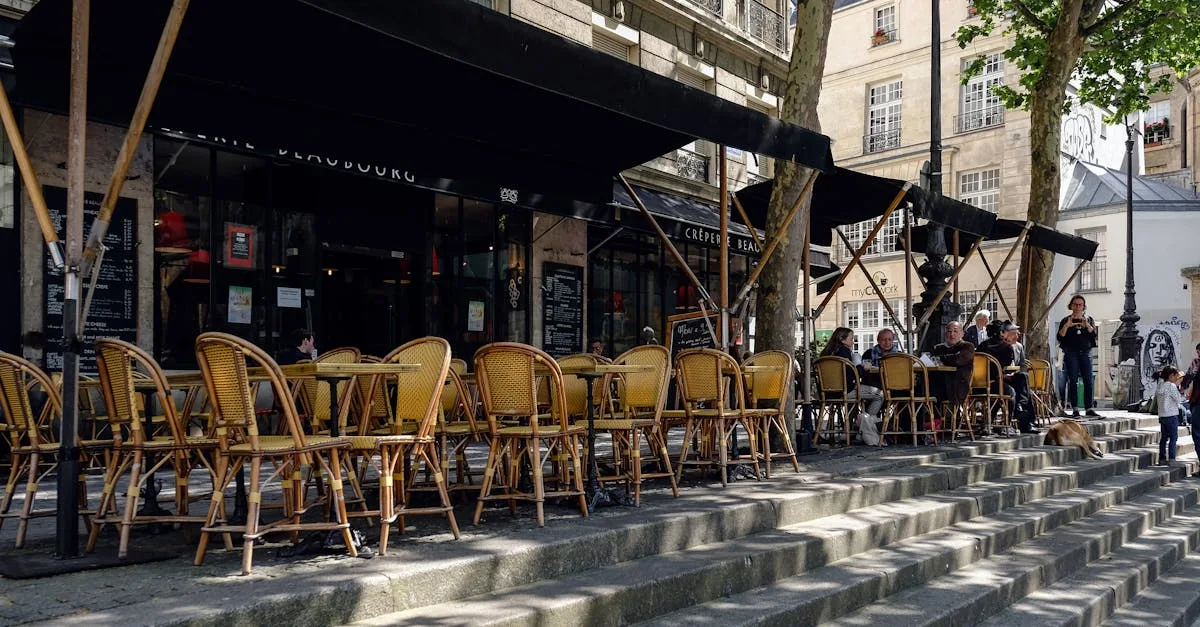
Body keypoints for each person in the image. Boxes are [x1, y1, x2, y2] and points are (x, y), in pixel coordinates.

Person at [819, 327, 884, 424]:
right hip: (844, 391)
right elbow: (852, 374)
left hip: (826, 393)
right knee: (880, 395)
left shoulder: (825, 353)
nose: (853, 342)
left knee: (859, 393)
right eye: (851, 339)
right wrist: (863, 368)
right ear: (842, 339)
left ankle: (855, 424)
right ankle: (866, 422)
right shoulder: (844, 351)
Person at [981, 321, 1037, 433]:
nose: (1017, 336)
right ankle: (1022, 420)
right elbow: (991, 366)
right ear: (1004, 333)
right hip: (994, 380)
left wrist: (1011, 374)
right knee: (1020, 386)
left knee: (1022, 380)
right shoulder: (998, 346)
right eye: (1013, 333)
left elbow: (1022, 365)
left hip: (1008, 378)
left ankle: (1021, 414)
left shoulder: (1018, 346)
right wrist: (1002, 375)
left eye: (1017, 333)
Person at [1057, 294, 1099, 418]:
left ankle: (1089, 408)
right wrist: (1067, 325)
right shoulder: (1065, 320)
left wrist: (1087, 325)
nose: (1077, 307)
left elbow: (1094, 336)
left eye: (1080, 305)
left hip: (1086, 352)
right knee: (1073, 381)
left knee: (1088, 381)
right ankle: (1075, 408)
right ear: (1071, 306)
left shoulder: (1089, 319)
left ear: (1084, 307)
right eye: (1075, 304)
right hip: (1071, 353)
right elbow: (1060, 337)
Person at [930, 321, 975, 408]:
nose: (952, 334)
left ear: (962, 333)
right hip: (939, 381)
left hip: (958, 383)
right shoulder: (939, 348)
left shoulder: (967, 346)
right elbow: (932, 360)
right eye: (949, 331)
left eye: (955, 331)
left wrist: (940, 358)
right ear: (945, 334)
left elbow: (957, 360)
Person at [1150, 366, 1185, 464]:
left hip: (1162, 415)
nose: (1177, 378)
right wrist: (1179, 388)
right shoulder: (1171, 386)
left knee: (1164, 438)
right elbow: (1179, 399)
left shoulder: (1160, 385)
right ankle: (1172, 458)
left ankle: (1162, 458)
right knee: (1173, 437)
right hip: (1171, 415)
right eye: (1176, 376)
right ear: (1171, 376)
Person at [1183, 343, 1200, 431]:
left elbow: (1190, 374)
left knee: (1197, 427)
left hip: (1197, 399)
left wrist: (1183, 387)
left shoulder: (1196, 362)